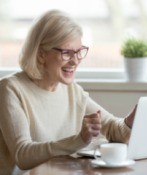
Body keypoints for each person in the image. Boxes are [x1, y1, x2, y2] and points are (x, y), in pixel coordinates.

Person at [0, 9, 136, 174]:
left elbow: (114, 129)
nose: (75, 61)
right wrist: (78, 140)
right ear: (41, 54)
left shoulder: (72, 91)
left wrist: (130, 121)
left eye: (79, 52)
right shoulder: (10, 89)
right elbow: (23, 155)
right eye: (67, 53)